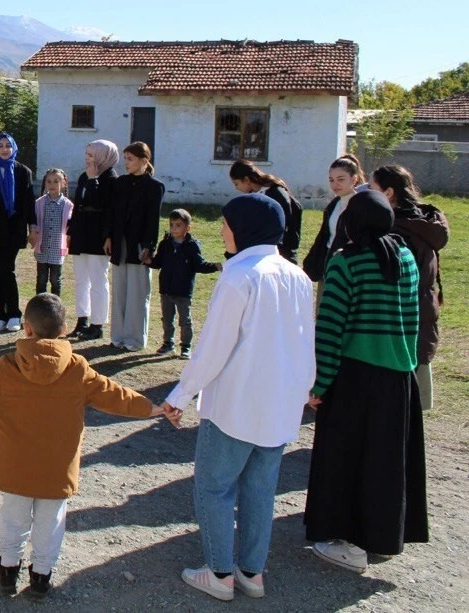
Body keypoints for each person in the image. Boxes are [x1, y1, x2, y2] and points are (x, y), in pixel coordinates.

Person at [0, 294, 164, 599]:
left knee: (13, 519)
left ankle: (7, 572)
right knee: (51, 523)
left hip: (15, 466)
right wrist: (153, 408)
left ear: (27, 329)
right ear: (64, 331)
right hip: (58, 469)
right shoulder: (78, 370)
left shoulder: (8, 368)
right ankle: (41, 577)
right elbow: (116, 395)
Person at [162, 193, 316, 602]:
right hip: (279, 405)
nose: (222, 230)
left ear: (244, 227)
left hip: (236, 403)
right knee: (260, 490)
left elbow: (213, 346)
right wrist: (304, 388)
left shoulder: (239, 277)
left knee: (215, 488)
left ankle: (219, 572)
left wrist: (181, 392)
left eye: (227, 223)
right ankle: (252, 571)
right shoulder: (296, 276)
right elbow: (306, 342)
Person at [305, 190, 427, 573]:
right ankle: (380, 536)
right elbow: (414, 317)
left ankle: (350, 543)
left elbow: (330, 329)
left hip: (355, 376)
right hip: (399, 375)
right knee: (385, 462)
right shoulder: (404, 257)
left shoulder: (346, 262)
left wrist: (318, 385)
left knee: (347, 462)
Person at [370, 165, 449, 410]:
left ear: (389, 192)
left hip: (402, 313)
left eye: (372, 190)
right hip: (423, 307)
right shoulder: (424, 221)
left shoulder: (396, 229)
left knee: (400, 392)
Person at [104, 141, 164, 352]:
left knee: (137, 293)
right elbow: (113, 213)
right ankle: (118, 335)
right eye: (125, 159)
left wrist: (149, 246)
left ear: (144, 161)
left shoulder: (154, 187)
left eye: (130, 159)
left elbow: (153, 220)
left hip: (139, 244)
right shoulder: (120, 184)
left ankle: (135, 339)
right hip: (120, 243)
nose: (126, 163)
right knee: (120, 290)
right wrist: (109, 237)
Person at [0, 132, 37, 332]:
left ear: (13, 148)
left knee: (7, 270)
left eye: (8, 146)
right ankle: (0, 315)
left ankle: (14, 314)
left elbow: (29, 203)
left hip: (14, 229)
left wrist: (33, 229)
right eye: (0, 146)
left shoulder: (23, 172)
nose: (4, 149)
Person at [148, 209, 220, 358]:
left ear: (188, 228)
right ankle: (168, 343)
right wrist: (148, 261)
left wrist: (215, 266)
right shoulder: (165, 244)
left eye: (178, 225)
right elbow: (158, 263)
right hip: (166, 289)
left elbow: (199, 265)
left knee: (185, 320)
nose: (174, 228)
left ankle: (186, 346)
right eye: (172, 225)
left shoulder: (192, 246)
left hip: (183, 290)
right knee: (167, 318)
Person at [69, 140, 118, 341]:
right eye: (87, 153)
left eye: (91, 154)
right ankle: (82, 319)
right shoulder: (83, 176)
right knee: (81, 279)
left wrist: (93, 180)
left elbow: (104, 206)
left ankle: (98, 324)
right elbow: (79, 203)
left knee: (98, 279)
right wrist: (71, 230)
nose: (87, 158)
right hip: (82, 232)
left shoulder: (111, 179)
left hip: (98, 234)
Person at [303, 153, 367, 282]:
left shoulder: (362, 205)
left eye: (341, 179)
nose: (335, 184)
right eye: (331, 180)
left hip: (350, 267)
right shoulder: (334, 204)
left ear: (354, 179)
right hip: (328, 263)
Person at [229, 160, 301, 262]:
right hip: (259, 251)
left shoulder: (275, 193)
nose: (236, 188)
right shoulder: (253, 195)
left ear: (246, 180)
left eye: (236, 183)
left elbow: (285, 223)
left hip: (280, 252)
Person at [33, 168, 73, 297]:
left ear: (64, 183)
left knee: (55, 280)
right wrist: (33, 232)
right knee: (41, 279)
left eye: (56, 181)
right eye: (49, 181)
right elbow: (34, 222)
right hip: (43, 247)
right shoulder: (39, 203)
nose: (52, 185)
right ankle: (40, 307)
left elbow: (70, 226)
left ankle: (56, 307)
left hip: (57, 248)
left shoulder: (68, 205)